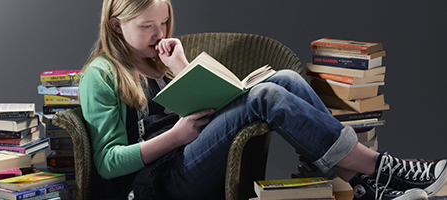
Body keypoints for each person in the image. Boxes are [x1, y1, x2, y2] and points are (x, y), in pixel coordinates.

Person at [78, 0, 447, 199]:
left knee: (283, 78)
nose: (159, 35)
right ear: (115, 24)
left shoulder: (161, 61)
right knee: (267, 95)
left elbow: (201, 106)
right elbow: (108, 163)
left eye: (163, 23)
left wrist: (182, 67)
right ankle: (381, 169)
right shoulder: (102, 74)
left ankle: (361, 182)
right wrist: (175, 136)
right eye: (147, 27)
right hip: (156, 184)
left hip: (191, 158)